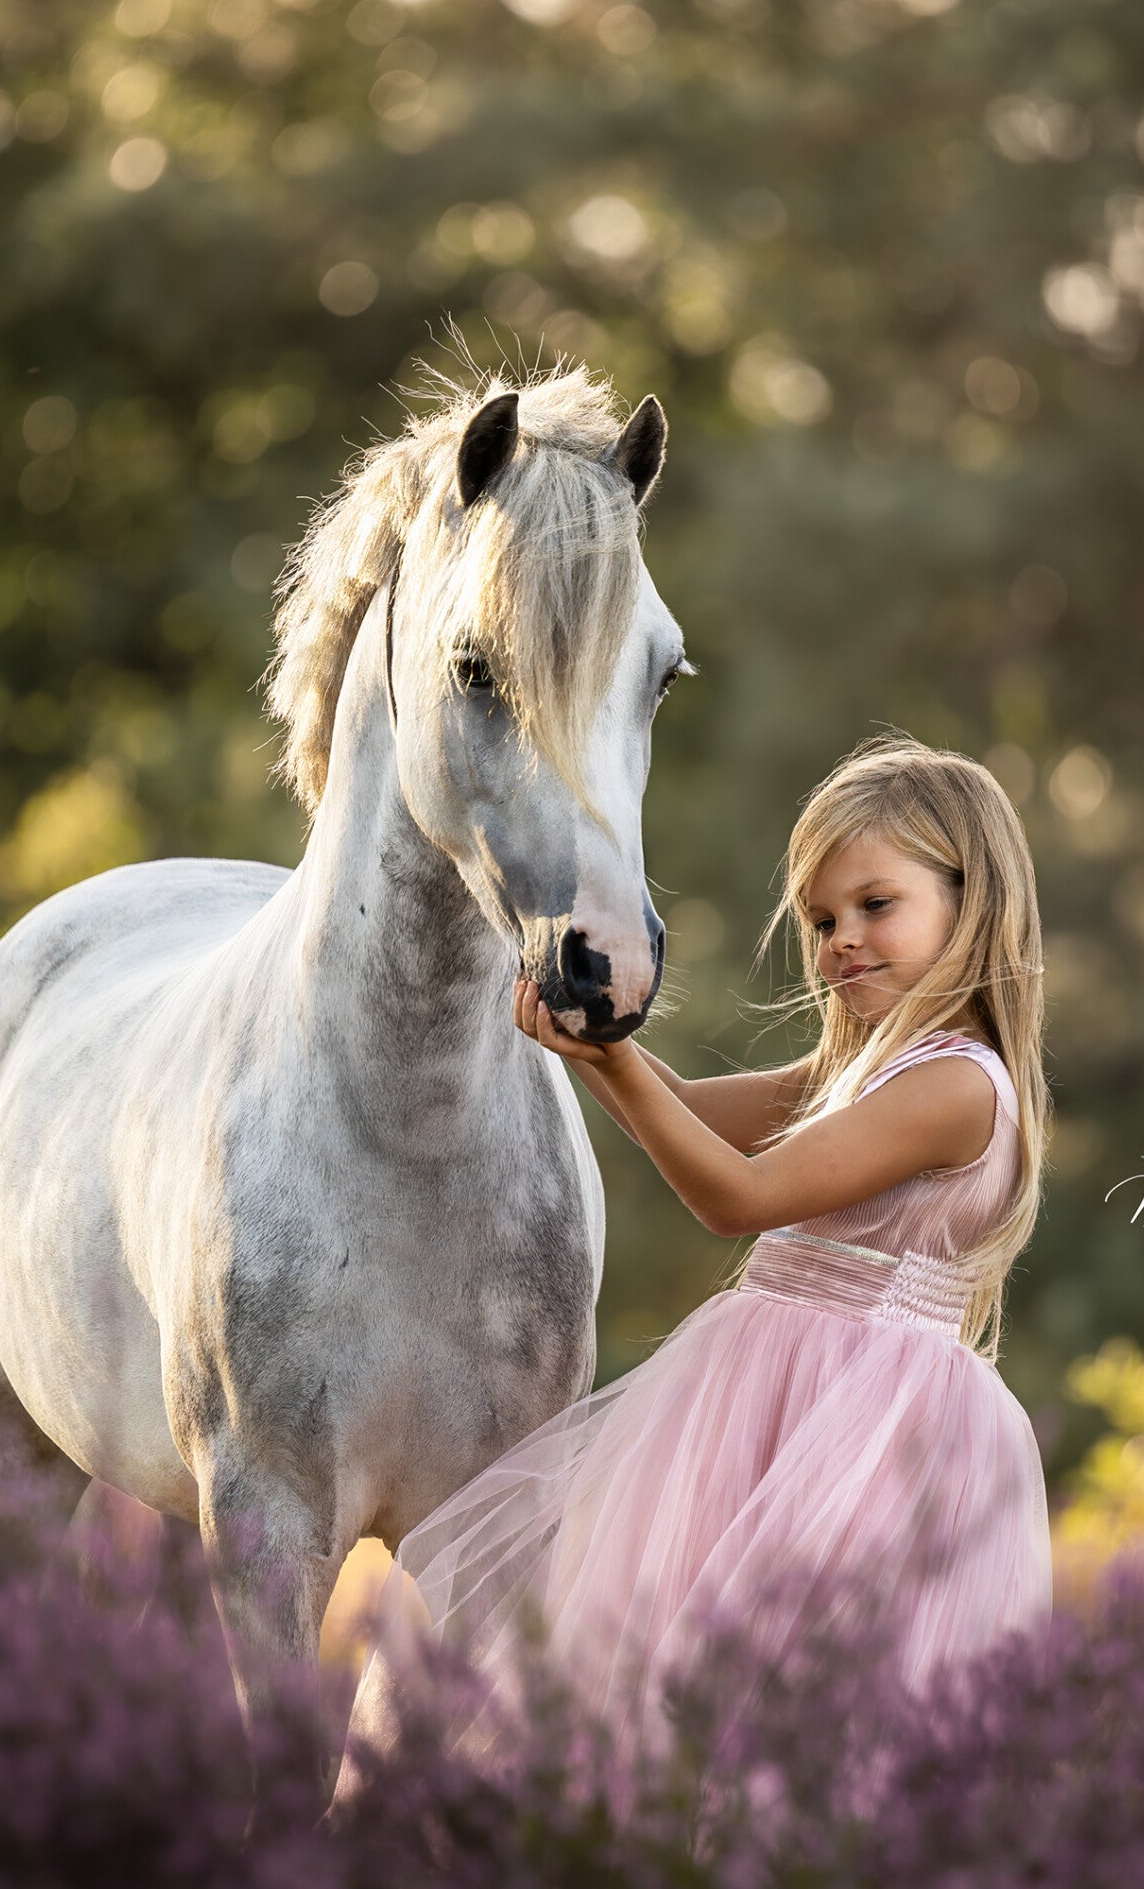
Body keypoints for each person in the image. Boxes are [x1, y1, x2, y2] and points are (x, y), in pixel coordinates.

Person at [338, 733, 1053, 1794]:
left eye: (875, 905)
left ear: (970, 900)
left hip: (862, 1429)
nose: (841, 941)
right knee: (644, 1679)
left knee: (778, 1714)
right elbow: (692, 1116)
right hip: (765, 1395)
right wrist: (580, 1031)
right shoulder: (859, 1066)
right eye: (820, 921)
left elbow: (738, 1195)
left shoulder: (954, 1089)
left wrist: (614, 1066)